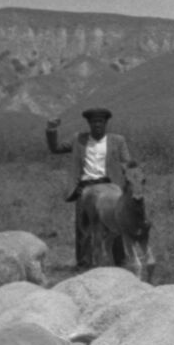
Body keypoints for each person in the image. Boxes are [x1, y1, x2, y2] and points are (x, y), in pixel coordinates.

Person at [45, 107, 134, 268]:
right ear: (89, 124)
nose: (97, 125)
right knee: (84, 227)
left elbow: (127, 162)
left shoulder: (117, 140)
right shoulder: (78, 139)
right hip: (85, 189)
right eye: (94, 122)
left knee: (115, 223)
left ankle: (120, 263)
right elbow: (55, 148)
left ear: (106, 123)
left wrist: (130, 182)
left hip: (110, 188)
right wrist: (51, 129)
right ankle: (84, 265)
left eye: (100, 122)